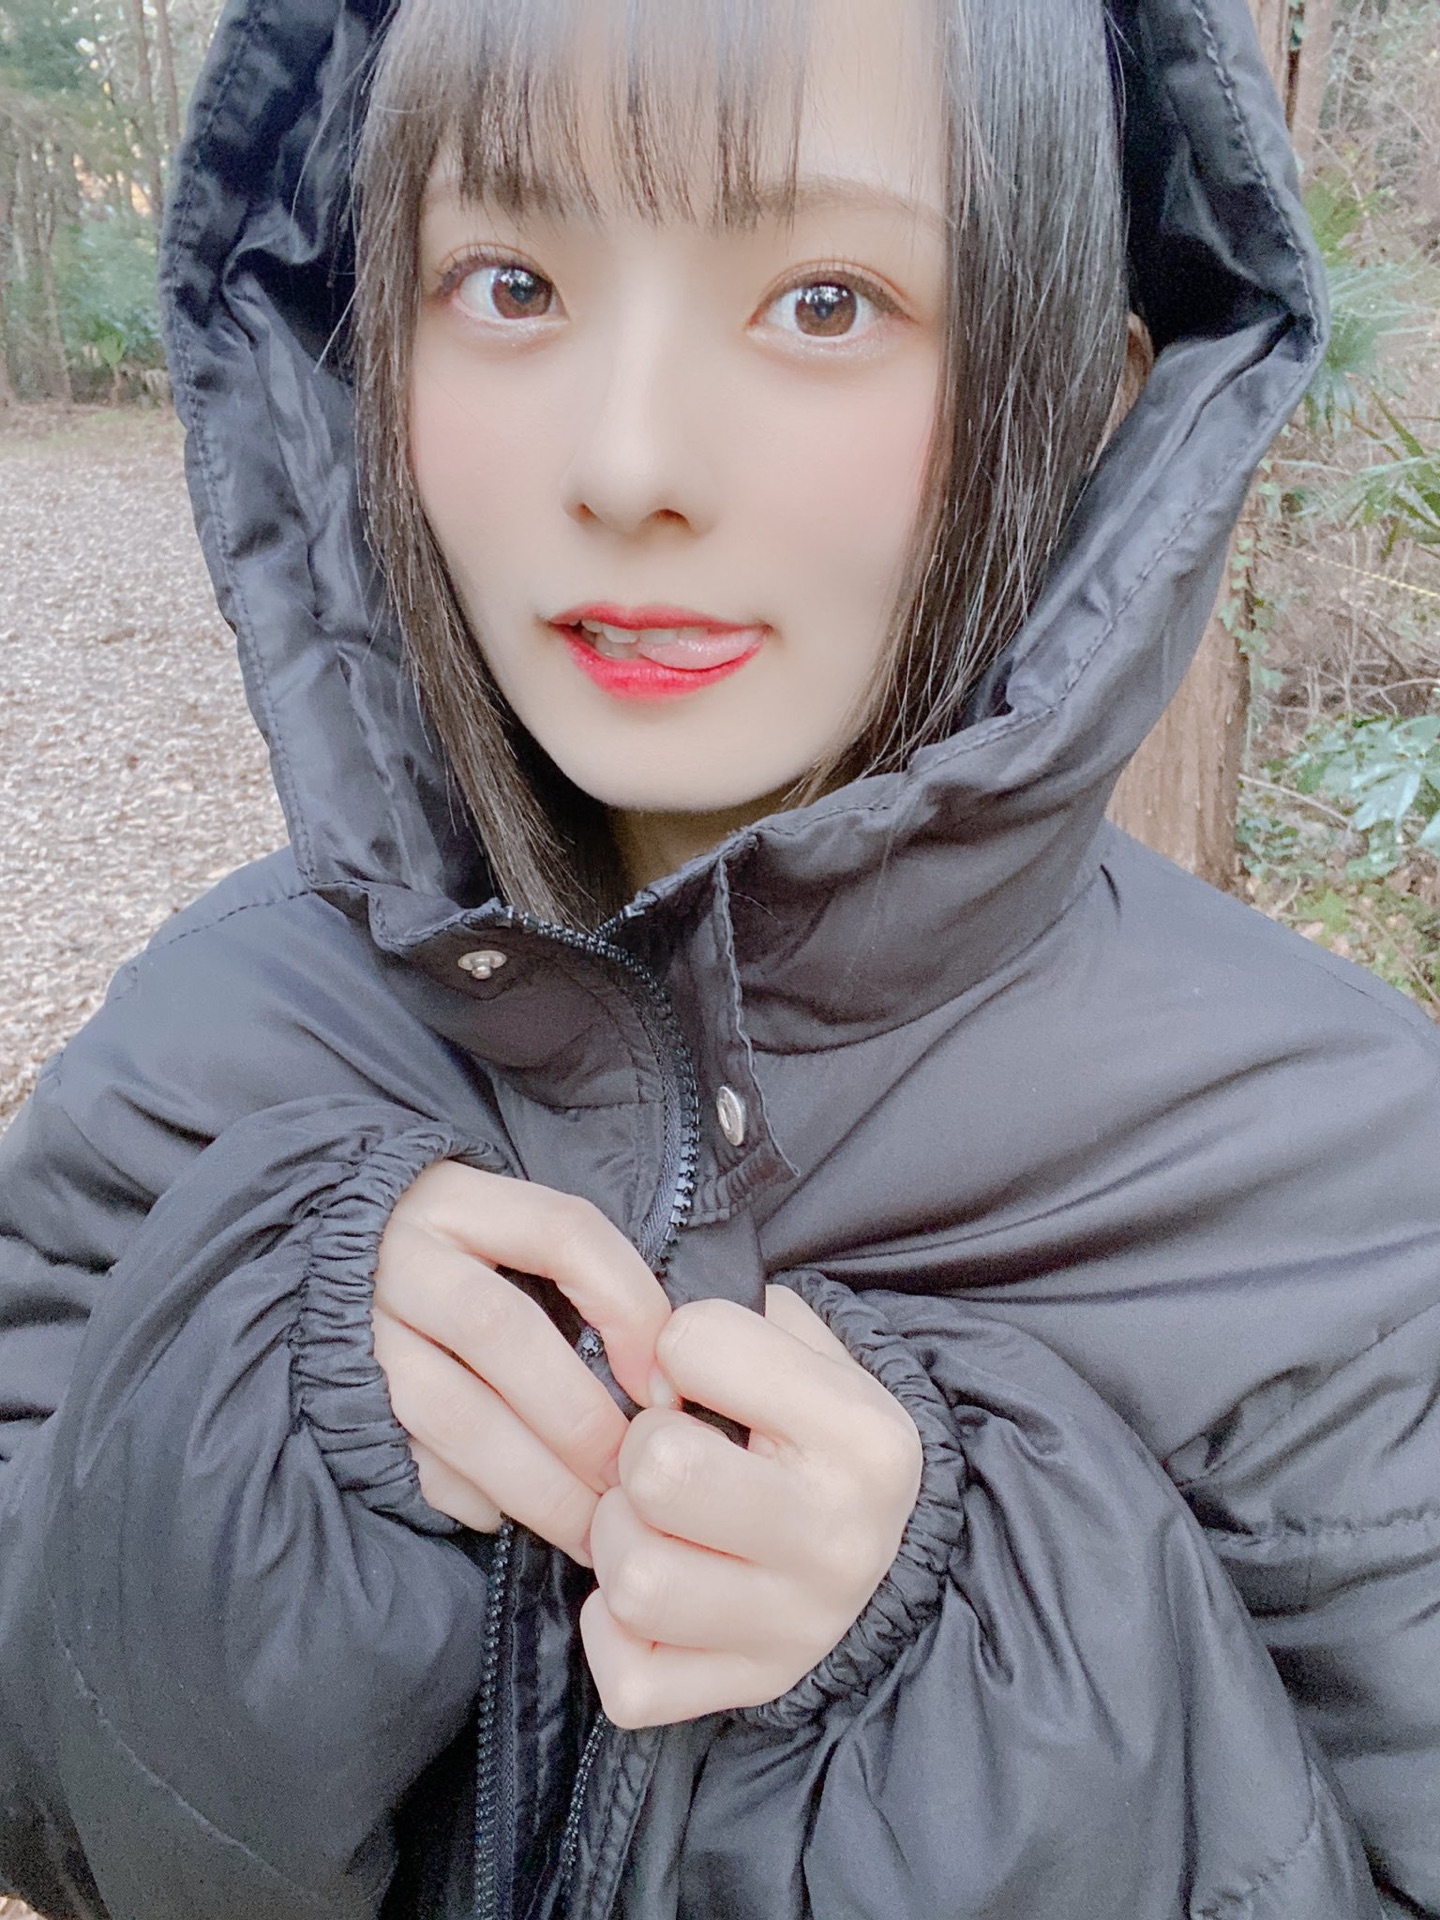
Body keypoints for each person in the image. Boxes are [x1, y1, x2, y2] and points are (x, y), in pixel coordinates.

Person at [0, 0, 1436, 1914]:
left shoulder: (1345, 1185)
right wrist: (255, 1404)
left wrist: (971, 1666)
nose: (627, 461)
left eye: (825, 303)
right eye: (510, 284)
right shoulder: (224, 1032)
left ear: (1083, 398)